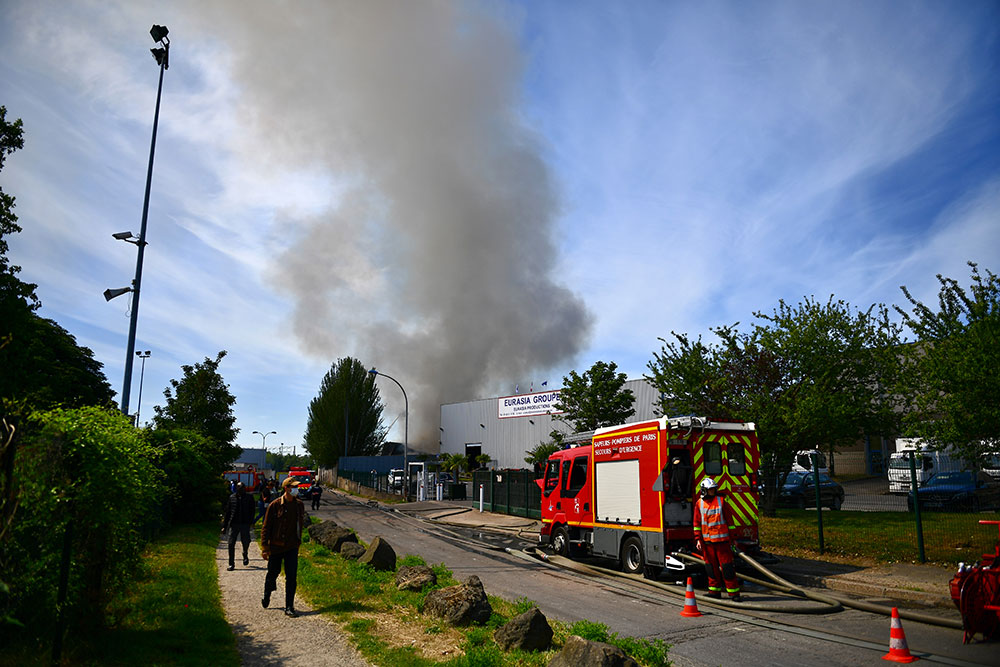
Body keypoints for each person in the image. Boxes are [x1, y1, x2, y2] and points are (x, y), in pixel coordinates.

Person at [261, 476, 306, 617]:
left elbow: (300, 524)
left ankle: (289, 606)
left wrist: (298, 542)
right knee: (272, 574)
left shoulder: (299, 505)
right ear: (286, 488)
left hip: (292, 546)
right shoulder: (275, 505)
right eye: (293, 487)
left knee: (291, 577)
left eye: (297, 487)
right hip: (276, 546)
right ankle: (267, 593)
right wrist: (265, 548)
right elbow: (266, 527)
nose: (296, 490)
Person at [693, 477, 743, 601]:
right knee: (711, 568)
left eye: (714, 490)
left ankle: (734, 593)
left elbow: (730, 522)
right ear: (704, 491)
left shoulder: (721, 501)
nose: (713, 492)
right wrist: (698, 539)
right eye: (710, 490)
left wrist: (733, 539)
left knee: (727, 568)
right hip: (707, 543)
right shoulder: (699, 503)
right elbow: (697, 523)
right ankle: (714, 591)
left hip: (722, 542)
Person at [223, 482, 256, 570]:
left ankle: (245, 553)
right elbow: (228, 512)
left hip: (245, 523)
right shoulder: (232, 498)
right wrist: (225, 526)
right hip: (234, 524)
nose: (241, 489)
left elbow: (252, 511)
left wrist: (251, 522)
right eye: (239, 488)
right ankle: (231, 564)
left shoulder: (249, 497)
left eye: (243, 488)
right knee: (231, 543)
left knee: (246, 541)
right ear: (237, 488)